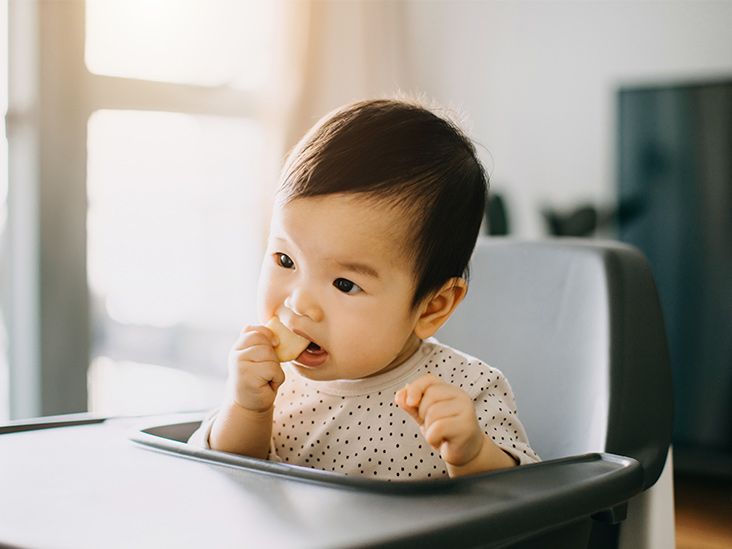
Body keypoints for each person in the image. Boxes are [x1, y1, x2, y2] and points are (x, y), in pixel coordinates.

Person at [189, 98, 539, 480]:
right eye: (285, 260)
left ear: (431, 307)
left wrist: (471, 455)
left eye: (344, 284)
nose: (299, 302)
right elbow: (226, 480)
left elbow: (527, 501)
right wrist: (246, 410)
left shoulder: (467, 390)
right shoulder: (270, 383)